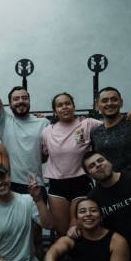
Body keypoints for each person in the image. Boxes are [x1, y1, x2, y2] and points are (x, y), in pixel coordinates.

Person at [0, 43, 49, 195]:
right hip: (11, 184)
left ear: (29, 101)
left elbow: (45, 156)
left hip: (37, 184)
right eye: (16, 99)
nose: (21, 101)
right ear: (9, 104)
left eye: (24, 98)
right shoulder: (5, 121)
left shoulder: (43, 123)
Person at [41, 93, 101, 236]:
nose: (64, 107)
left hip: (81, 183)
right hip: (57, 185)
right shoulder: (47, 132)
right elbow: (43, 155)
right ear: (55, 111)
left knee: (80, 229)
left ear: (74, 106)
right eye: (60, 105)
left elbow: (112, 125)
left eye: (67, 103)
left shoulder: (87, 124)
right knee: (62, 232)